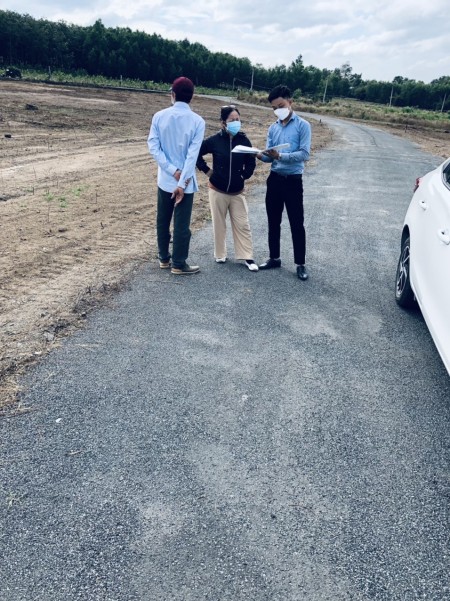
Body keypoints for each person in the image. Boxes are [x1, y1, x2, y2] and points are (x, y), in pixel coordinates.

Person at [147, 76, 205, 275]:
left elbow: (154, 147)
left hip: (165, 179)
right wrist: (181, 181)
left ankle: (164, 258)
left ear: (172, 94)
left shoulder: (159, 116)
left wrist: (171, 170)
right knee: (181, 223)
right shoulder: (198, 121)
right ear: (192, 97)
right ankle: (179, 263)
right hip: (185, 182)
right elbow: (192, 155)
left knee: (163, 219)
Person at [257, 85, 311, 280]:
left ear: (290, 102)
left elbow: (304, 154)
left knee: (297, 223)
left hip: (293, 181)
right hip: (275, 179)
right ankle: (274, 257)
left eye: (280, 106)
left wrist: (280, 156)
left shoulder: (303, 125)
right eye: (274, 108)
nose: (278, 110)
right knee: (273, 221)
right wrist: (260, 155)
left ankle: (300, 264)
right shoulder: (273, 128)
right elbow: (269, 157)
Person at [196, 105, 258, 271]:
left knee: (242, 224)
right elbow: (196, 153)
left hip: (237, 192)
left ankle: (247, 257)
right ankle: (220, 254)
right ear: (223, 122)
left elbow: (251, 160)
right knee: (219, 224)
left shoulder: (244, 141)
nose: (236, 122)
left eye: (238, 119)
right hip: (217, 190)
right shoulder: (214, 140)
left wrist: (245, 175)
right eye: (232, 120)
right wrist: (207, 171)